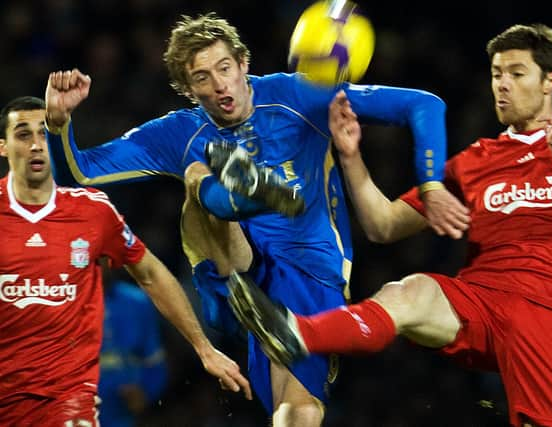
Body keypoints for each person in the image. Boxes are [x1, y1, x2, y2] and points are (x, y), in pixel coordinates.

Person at [43, 9, 469, 426]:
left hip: (306, 274)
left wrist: (430, 184)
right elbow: (78, 173)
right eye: (202, 78)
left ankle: (238, 192)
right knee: (195, 174)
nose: (219, 85)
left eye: (225, 68)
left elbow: (424, 105)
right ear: (188, 90)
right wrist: (58, 124)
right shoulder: (178, 130)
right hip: (229, 273)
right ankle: (245, 194)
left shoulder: (299, 95)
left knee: (297, 409)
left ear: (244, 64)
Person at [225, 23, 552, 427]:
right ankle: (298, 333)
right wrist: (351, 157)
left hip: (550, 312)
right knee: (410, 292)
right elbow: (384, 225)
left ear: (550, 81)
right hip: (481, 302)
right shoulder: (477, 160)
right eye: (497, 74)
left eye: (516, 74)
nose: (503, 85)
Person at [0, 96, 251, 427]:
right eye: (23, 134)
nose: (36, 145)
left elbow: (150, 274)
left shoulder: (93, 212)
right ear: (3, 146)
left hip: (69, 399)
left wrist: (204, 348)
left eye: (44, 133)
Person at [99, 277, 169, 427]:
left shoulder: (136, 300)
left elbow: (155, 362)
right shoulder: (62, 303)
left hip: (125, 418)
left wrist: (145, 393)